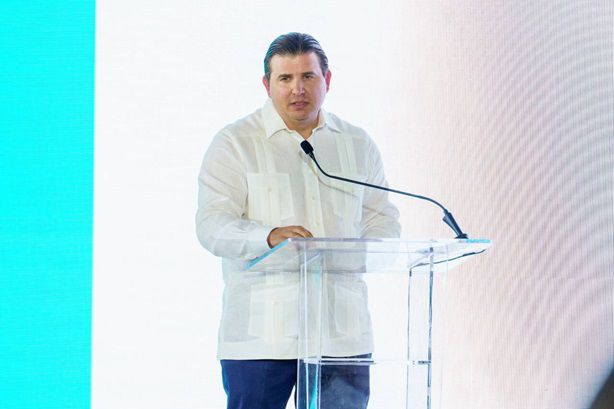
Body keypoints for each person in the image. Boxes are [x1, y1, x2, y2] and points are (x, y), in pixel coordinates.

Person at [196, 32, 400, 409]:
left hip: (341, 336)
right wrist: (269, 236)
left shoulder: (357, 143)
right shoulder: (235, 142)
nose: (298, 89)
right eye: (285, 78)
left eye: (308, 76)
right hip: (263, 337)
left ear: (327, 79)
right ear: (266, 84)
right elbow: (212, 226)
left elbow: (382, 221)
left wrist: (363, 250)